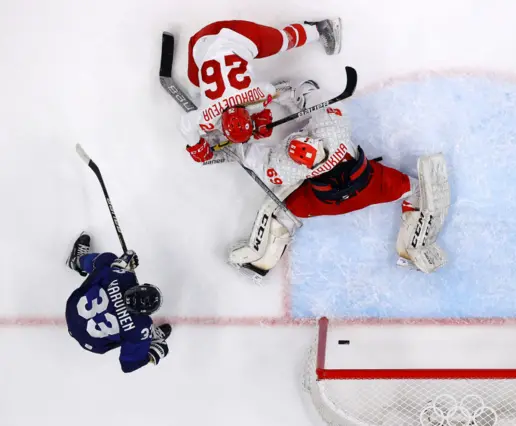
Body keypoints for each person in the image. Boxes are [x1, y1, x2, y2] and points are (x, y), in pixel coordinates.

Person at [225, 104, 451, 281]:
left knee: (283, 214)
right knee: (417, 189)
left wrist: (236, 141)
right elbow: (320, 103)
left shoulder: (286, 167)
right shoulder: (334, 132)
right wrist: (294, 97)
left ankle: (259, 263)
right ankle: (411, 247)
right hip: (372, 187)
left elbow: (254, 160)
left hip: (323, 203)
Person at [179, 19, 342, 164]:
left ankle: (318, 28)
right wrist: (196, 146)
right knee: (196, 83)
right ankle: (317, 29)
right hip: (200, 42)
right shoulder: (206, 117)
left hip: (236, 36)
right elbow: (186, 124)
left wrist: (257, 119)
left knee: (283, 40)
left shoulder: (255, 94)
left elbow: (270, 89)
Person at [65, 233, 171, 373]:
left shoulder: (120, 276)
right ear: (145, 314)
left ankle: (77, 261)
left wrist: (122, 264)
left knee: (107, 260)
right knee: (136, 336)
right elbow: (128, 366)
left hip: (72, 309)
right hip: (92, 343)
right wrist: (152, 354)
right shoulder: (140, 327)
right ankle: (149, 340)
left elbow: (118, 265)